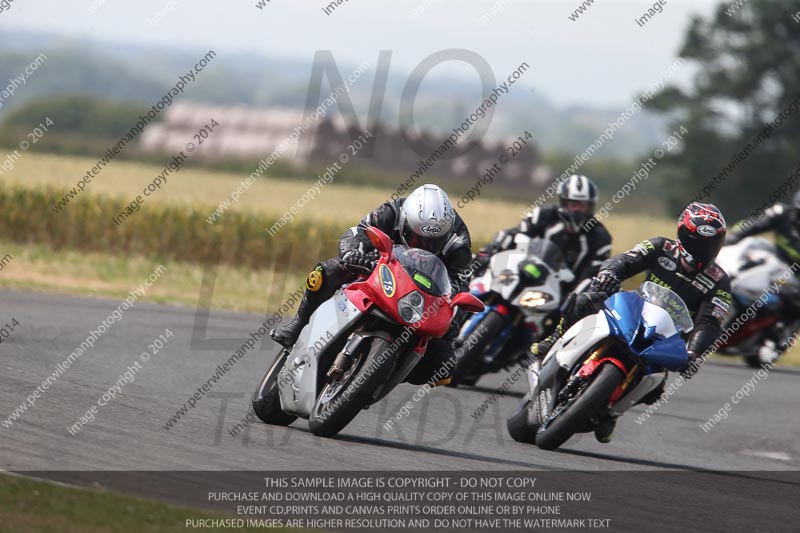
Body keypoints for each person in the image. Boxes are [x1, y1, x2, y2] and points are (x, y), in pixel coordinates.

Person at [530, 202, 732, 443]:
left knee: (655, 390)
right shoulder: (660, 246)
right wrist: (610, 274)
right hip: (634, 311)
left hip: (667, 337)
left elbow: (710, 322)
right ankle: (554, 340)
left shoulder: (719, 281)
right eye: (699, 241)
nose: (706, 248)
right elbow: (625, 260)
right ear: (683, 234)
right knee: (585, 298)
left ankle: (612, 411)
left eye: (712, 242)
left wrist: (694, 352)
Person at [270, 183, 473, 385]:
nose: (424, 246)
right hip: (380, 265)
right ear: (406, 223)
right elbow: (359, 232)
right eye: (417, 238)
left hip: (421, 292)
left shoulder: (459, 242)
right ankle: (298, 324)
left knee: (443, 364)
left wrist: (449, 315)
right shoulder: (391, 211)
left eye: (432, 243)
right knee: (325, 272)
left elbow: (460, 284)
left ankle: (386, 375)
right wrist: (354, 253)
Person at [476, 175, 612, 294]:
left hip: (560, 296)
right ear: (564, 202)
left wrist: (574, 299)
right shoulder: (544, 215)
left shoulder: (600, 237)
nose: (577, 210)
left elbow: (591, 276)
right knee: (481, 277)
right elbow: (515, 233)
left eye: (582, 206)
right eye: (573, 204)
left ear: (591, 207)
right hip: (525, 271)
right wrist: (488, 253)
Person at [726, 191, 800, 354]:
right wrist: (731, 240)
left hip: (797, 275)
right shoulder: (781, 212)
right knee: (754, 243)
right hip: (777, 258)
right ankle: (729, 282)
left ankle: (779, 337)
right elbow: (751, 225)